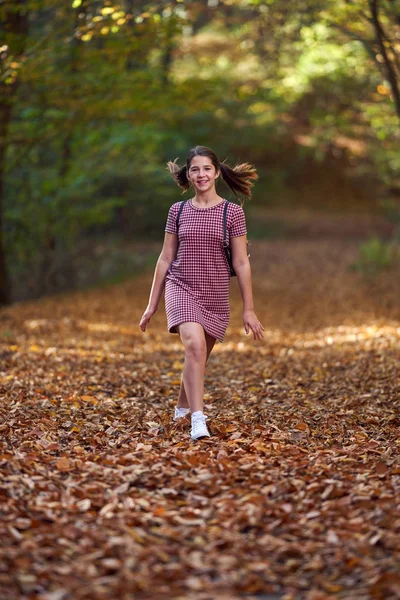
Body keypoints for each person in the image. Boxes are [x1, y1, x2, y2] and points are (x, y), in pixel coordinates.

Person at [139, 145, 264, 440]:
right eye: (195, 169)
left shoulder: (232, 213)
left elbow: (241, 262)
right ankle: (198, 420)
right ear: (188, 174)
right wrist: (151, 304)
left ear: (217, 172)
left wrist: (249, 308)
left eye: (207, 168)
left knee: (198, 355)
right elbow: (165, 258)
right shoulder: (177, 210)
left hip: (215, 294)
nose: (201, 174)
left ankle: (182, 410)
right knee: (194, 346)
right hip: (180, 287)